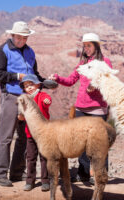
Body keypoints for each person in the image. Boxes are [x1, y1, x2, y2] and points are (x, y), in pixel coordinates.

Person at [48, 32, 112, 184]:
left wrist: (94, 85)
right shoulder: (82, 64)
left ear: (96, 46)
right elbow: (70, 80)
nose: (86, 48)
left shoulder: (105, 62)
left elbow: (108, 79)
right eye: (84, 46)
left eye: (89, 45)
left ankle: (101, 175)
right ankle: (83, 174)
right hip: (81, 108)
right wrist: (57, 78)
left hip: (98, 109)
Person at [0, 21, 46, 187]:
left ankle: (16, 173)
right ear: (12, 35)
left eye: (25, 37)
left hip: (28, 99)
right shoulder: (2, 51)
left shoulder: (30, 52)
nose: (22, 40)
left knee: (24, 137)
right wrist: (17, 77)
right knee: (6, 137)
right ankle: (0, 174)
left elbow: (33, 74)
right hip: (11, 97)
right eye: (19, 37)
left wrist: (44, 82)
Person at [18, 74, 51, 192]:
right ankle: (30, 181)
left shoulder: (42, 95)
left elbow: (47, 100)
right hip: (30, 133)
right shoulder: (24, 99)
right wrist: (20, 116)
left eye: (31, 84)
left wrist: (47, 101)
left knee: (44, 157)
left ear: (38, 85)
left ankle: (45, 181)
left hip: (43, 133)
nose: (29, 87)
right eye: (26, 86)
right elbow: (21, 115)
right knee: (30, 157)